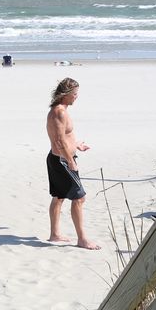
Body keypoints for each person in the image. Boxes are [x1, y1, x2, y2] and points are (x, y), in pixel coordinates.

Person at [45, 78, 99, 249]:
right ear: (66, 95)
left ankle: (54, 234)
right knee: (79, 198)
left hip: (57, 158)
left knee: (59, 197)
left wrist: (76, 145)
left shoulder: (60, 110)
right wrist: (70, 161)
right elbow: (59, 141)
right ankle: (82, 239)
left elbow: (64, 139)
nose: (77, 97)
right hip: (61, 161)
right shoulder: (59, 112)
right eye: (75, 94)